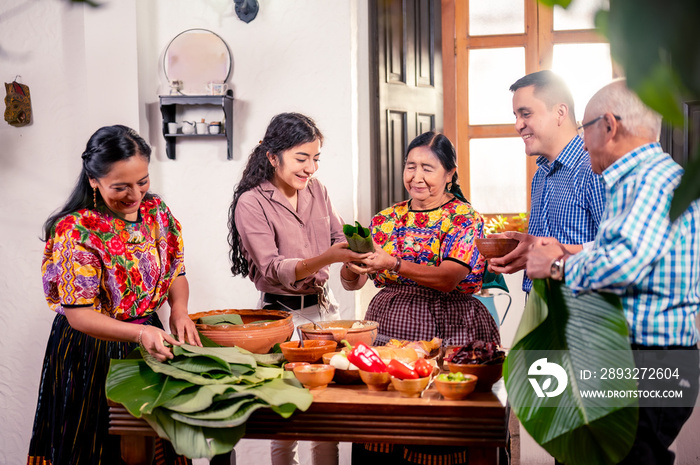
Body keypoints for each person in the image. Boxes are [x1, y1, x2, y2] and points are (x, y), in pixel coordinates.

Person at [526, 79, 700, 465]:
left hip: (649, 361)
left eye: (584, 128)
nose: (582, 141)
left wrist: (556, 265)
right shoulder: (650, 177)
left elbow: (624, 262)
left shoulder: (648, 181)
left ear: (609, 125)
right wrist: (569, 248)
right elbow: (631, 248)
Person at [27, 125, 202, 465]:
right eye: (120, 187)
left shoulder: (157, 214)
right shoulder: (76, 230)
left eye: (142, 182)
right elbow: (78, 314)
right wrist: (141, 332)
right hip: (91, 349)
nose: (134, 195)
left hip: (149, 338)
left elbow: (176, 273)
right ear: (94, 181)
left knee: (156, 444)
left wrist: (179, 311)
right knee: (98, 446)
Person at [342, 131, 498, 465]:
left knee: (445, 419)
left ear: (449, 174)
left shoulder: (465, 219)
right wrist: (350, 265)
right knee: (382, 412)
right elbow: (353, 283)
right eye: (410, 167)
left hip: (453, 324)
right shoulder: (385, 219)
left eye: (428, 168)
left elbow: (447, 278)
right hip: (389, 323)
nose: (416, 177)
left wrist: (393, 262)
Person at [227, 112, 370, 465]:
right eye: (301, 158)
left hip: (324, 312)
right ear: (273, 157)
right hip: (280, 318)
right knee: (285, 414)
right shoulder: (251, 202)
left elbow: (338, 239)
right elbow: (272, 268)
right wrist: (328, 258)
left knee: (327, 411)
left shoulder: (317, 191)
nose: (310, 169)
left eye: (316, 159)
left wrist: (357, 260)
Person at [488, 70, 606, 293]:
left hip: (579, 310)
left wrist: (549, 253)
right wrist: (524, 247)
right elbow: (545, 247)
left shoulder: (593, 168)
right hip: (538, 304)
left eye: (526, 114)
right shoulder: (540, 175)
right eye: (516, 115)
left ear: (560, 112)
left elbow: (615, 252)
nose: (518, 125)